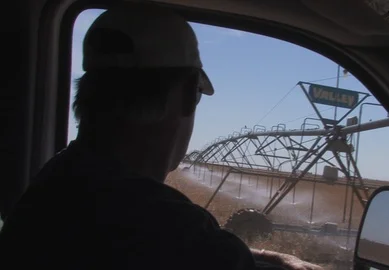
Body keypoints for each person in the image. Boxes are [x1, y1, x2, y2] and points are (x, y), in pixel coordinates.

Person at [0, 3, 322, 270]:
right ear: (184, 96)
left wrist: (267, 257)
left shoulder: (56, 182)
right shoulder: (166, 224)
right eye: (196, 95)